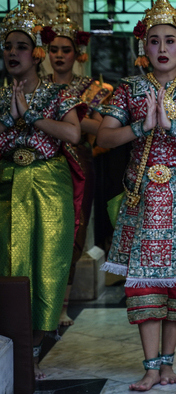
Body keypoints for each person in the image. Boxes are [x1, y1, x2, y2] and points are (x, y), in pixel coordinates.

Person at [96, 0, 176, 390]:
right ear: (145, 48)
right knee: (144, 281)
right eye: (154, 41)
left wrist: (173, 126)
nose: (163, 48)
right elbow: (104, 137)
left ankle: (168, 363)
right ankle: (151, 367)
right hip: (142, 199)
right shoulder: (129, 89)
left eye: (171, 40)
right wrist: (140, 128)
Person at [0, 0, 85, 379]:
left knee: (46, 264)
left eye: (20, 46)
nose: (12, 53)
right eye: (7, 46)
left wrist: (32, 116)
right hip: (6, 185)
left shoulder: (57, 94)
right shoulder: (1, 95)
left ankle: (32, 353)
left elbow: (73, 133)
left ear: (35, 53)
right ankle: (10, 352)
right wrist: (9, 116)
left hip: (49, 186)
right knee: (9, 264)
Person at [44, 0, 112, 327]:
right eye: (54, 49)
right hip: (39, 164)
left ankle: (62, 307)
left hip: (78, 164)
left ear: (77, 54)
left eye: (65, 50)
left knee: (72, 233)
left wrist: (70, 120)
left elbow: (102, 130)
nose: (59, 55)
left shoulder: (90, 90)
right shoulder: (36, 86)